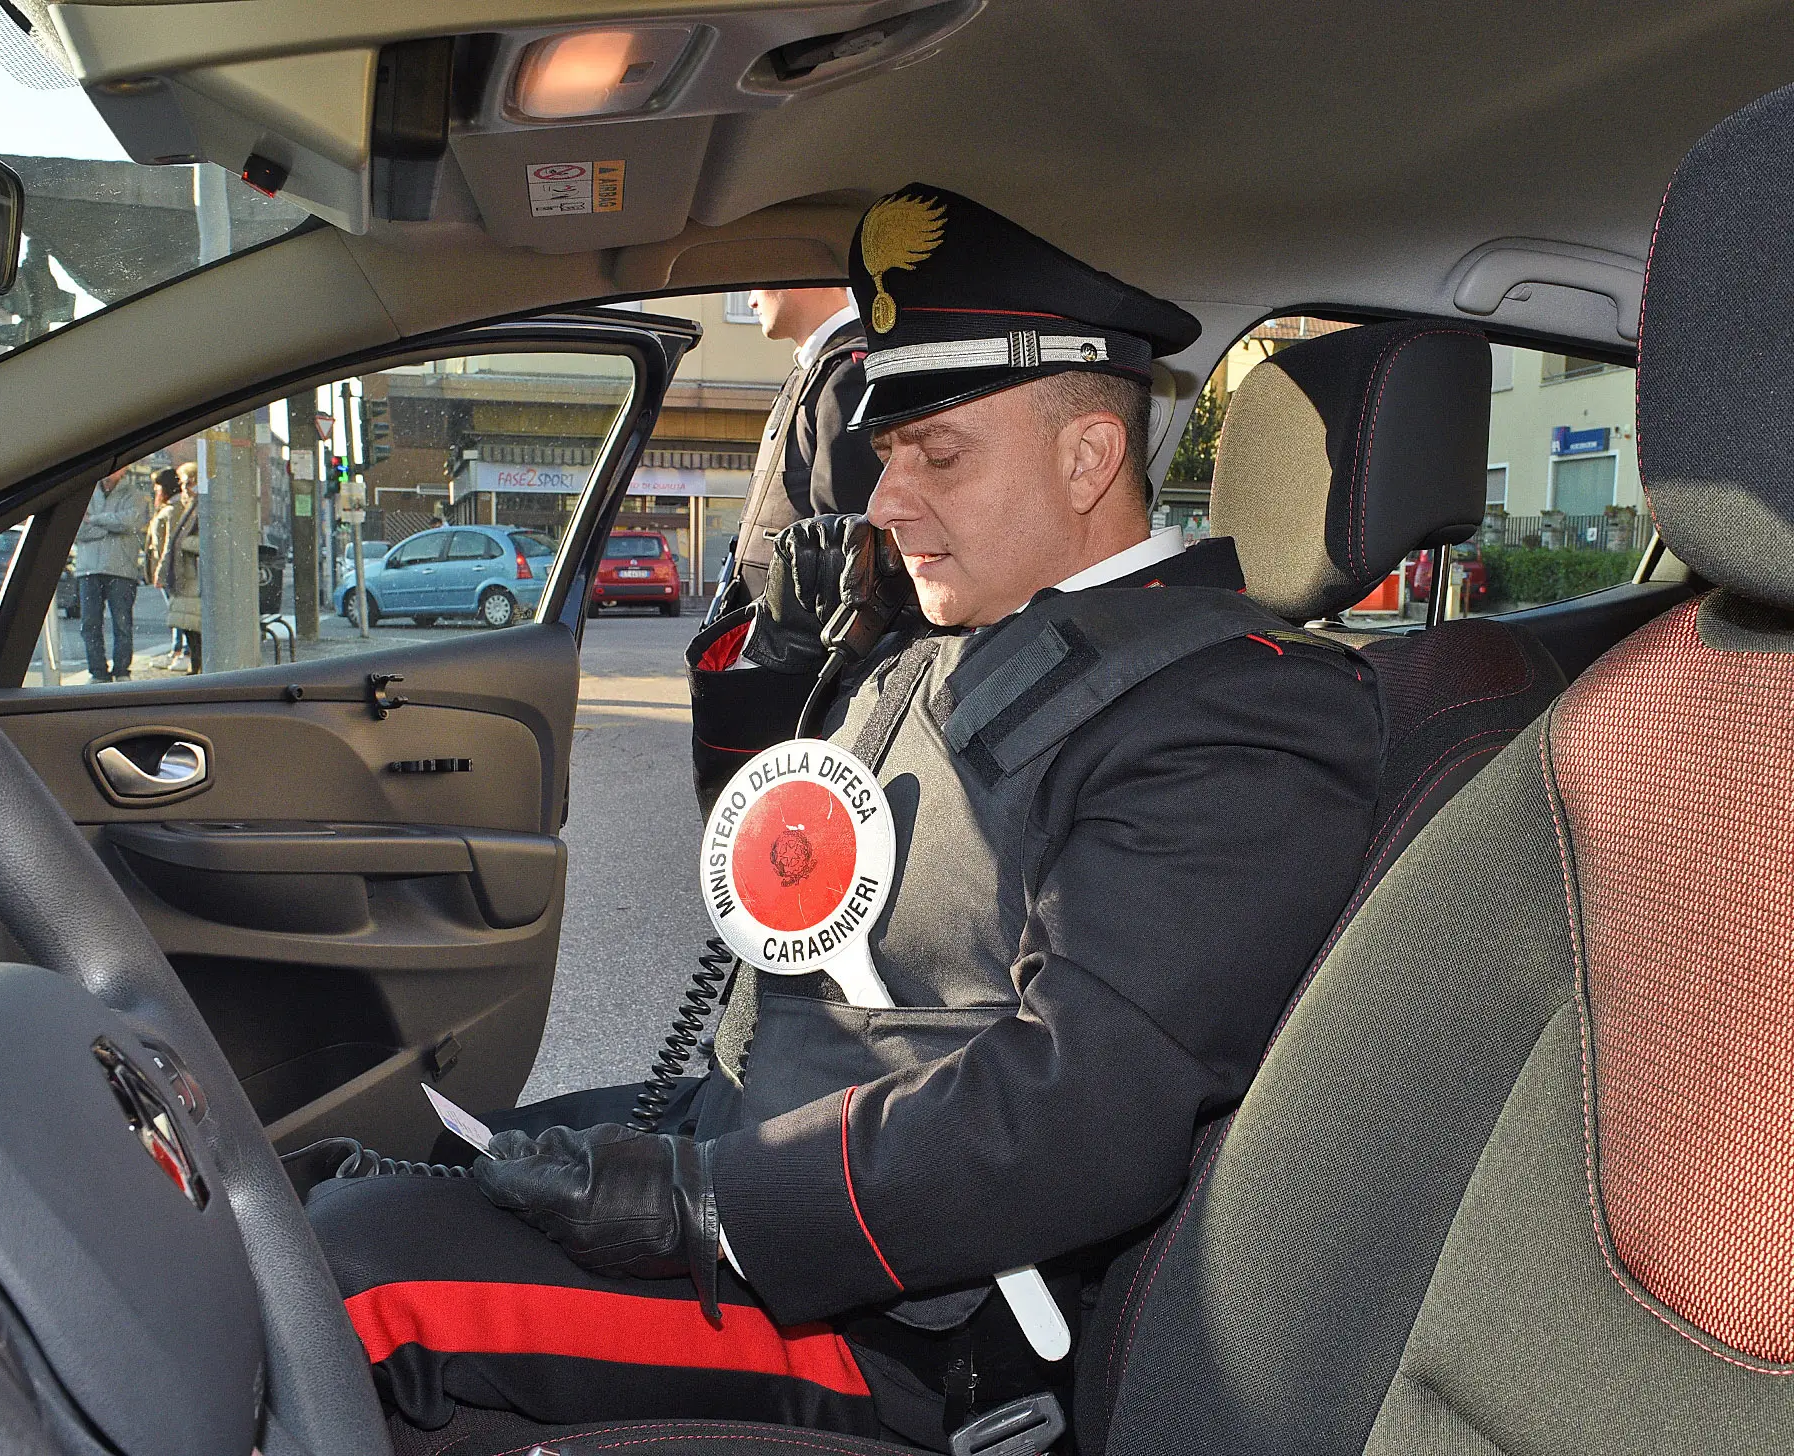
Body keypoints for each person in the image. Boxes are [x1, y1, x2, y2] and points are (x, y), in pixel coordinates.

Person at [305, 186, 1383, 1450]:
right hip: (759, 1138)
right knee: (338, 1175)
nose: (885, 500)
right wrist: (798, 651)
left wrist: (707, 1206)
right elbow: (787, 862)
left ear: (1090, 458)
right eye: (886, 456)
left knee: (357, 1276)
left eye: (939, 456)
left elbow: (1079, 1107)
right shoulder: (971, 633)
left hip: (911, 1311)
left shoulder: (1237, 707)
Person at [705, 287, 884, 619]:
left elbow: (842, 538)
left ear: (800, 281)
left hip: (797, 639)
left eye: (757, 286)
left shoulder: (849, 372)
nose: (751, 301)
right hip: (770, 624)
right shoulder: (817, 369)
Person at [72, 466, 151, 682]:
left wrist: (95, 519)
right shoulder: (86, 493)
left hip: (122, 569)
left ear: (124, 470)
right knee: (89, 624)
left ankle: (122, 671)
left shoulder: (133, 495)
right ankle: (97, 672)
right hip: (89, 568)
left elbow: (131, 523)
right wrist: (112, 524)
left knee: (122, 623)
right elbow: (76, 529)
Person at [145, 466, 189, 671]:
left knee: (179, 612)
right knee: (176, 611)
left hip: (173, 568)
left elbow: (170, 544)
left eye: (158, 487)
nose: (155, 491)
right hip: (170, 567)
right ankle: (176, 650)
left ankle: (183, 652)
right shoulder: (171, 507)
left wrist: (161, 571)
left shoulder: (173, 509)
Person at [159, 465, 202, 674]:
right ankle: (195, 666)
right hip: (185, 577)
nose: (184, 488)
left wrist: (186, 543)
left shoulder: (201, 507)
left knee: (194, 627)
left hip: (194, 577)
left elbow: (210, 543)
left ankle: (197, 666)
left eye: (187, 483)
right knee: (188, 626)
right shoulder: (190, 507)